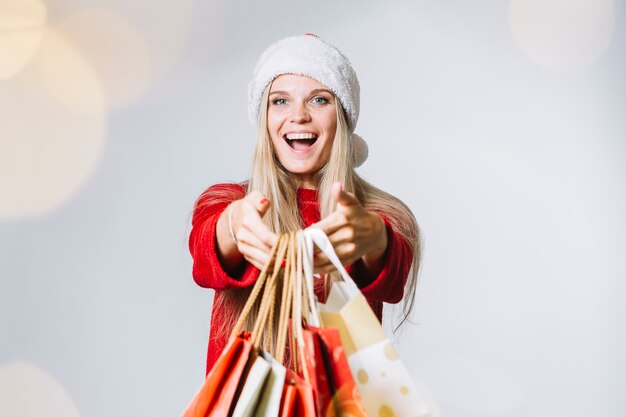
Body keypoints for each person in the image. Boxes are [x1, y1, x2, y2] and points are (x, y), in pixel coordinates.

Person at [189, 34, 421, 375]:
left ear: (341, 117)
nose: (298, 116)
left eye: (319, 100)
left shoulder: (380, 214)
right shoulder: (227, 201)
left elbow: (392, 269)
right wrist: (234, 226)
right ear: (265, 120)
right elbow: (207, 248)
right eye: (280, 101)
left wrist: (373, 237)